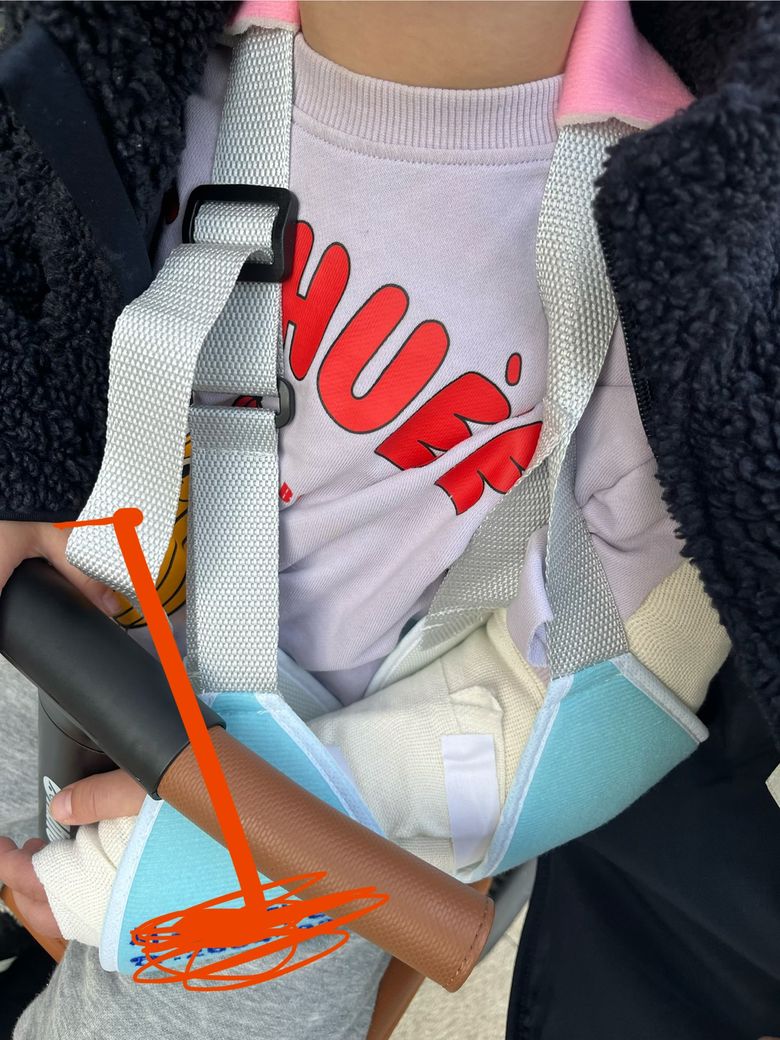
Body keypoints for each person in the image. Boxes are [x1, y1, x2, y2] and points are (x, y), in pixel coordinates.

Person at [0, 1, 777, 1038]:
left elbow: (609, 698)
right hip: (56, 598)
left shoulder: (680, 231)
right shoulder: (132, 49)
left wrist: (286, 821)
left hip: (316, 794)